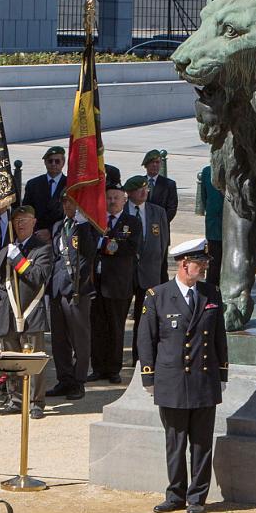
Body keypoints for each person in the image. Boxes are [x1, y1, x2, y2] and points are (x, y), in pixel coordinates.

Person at [137, 239, 229, 513]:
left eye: (204, 264)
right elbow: (146, 339)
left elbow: (219, 338)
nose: (202, 269)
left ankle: (197, 497)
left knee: (201, 443)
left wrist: (222, 373)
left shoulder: (211, 294)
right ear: (182, 264)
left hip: (203, 380)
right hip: (172, 380)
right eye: (198, 264)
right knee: (175, 442)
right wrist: (148, 377)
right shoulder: (157, 295)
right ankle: (175, 494)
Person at [0, 203, 56, 417]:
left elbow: (38, 277)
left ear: (34, 222)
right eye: (17, 221)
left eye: (25, 220)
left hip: (31, 312)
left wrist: (18, 260)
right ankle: (15, 399)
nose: (20, 224)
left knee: (34, 360)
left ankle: (36, 402)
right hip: (8, 313)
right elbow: (1, 285)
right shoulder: (5, 250)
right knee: (11, 359)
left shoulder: (43, 248)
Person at [46, 192, 100, 397]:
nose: (70, 205)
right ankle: (64, 379)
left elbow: (89, 251)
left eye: (74, 201)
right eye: (67, 201)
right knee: (59, 340)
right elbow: (57, 257)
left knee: (80, 338)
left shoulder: (87, 225)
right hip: (58, 289)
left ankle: (78, 381)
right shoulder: (58, 226)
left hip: (78, 288)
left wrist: (84, 223)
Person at [92, 178, 140, 381]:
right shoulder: (96, 221)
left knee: (115, 328)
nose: (112, 201)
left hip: (118, 284)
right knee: (98, 327)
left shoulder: (132, 223)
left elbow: (130, 248)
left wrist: (105, 245)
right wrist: (108, 245)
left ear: (124, 200)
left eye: (116, 198)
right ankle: (97, 368)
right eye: (109, 197)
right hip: (97, 282)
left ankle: (113, 369)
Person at [127, 173, 170, 368]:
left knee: (145, 320)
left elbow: (163, 245)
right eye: (139, 189)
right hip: (125, 275)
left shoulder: (157, 212)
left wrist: (162, 276)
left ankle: (142, 357)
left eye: (146, 188)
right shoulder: (122, 211)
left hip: (150, 274)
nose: (144, 192)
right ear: (129, 193)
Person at [24, 146, 67, 241]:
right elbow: (27, 212)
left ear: (63, 163)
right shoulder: (33, 184)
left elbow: (71, 216)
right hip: (35, 235)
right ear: (45, 162)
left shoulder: (69, 185)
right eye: (50, 161)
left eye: (57, 161)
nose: (53, 164)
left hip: (60, 238)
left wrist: (51, 232)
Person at [197, 160, 223, 267]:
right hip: (214, 223)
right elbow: (204, 197)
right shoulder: (207, 171)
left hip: (228, 223)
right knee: (213, 259)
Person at [141, 148, 179, 223]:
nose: (155, 165)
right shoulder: (139, 182)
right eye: (152, 162)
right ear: (146, 164)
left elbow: (172, 208)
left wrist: (162, 222)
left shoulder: (169, 185)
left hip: (161, 224)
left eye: (157, 162)